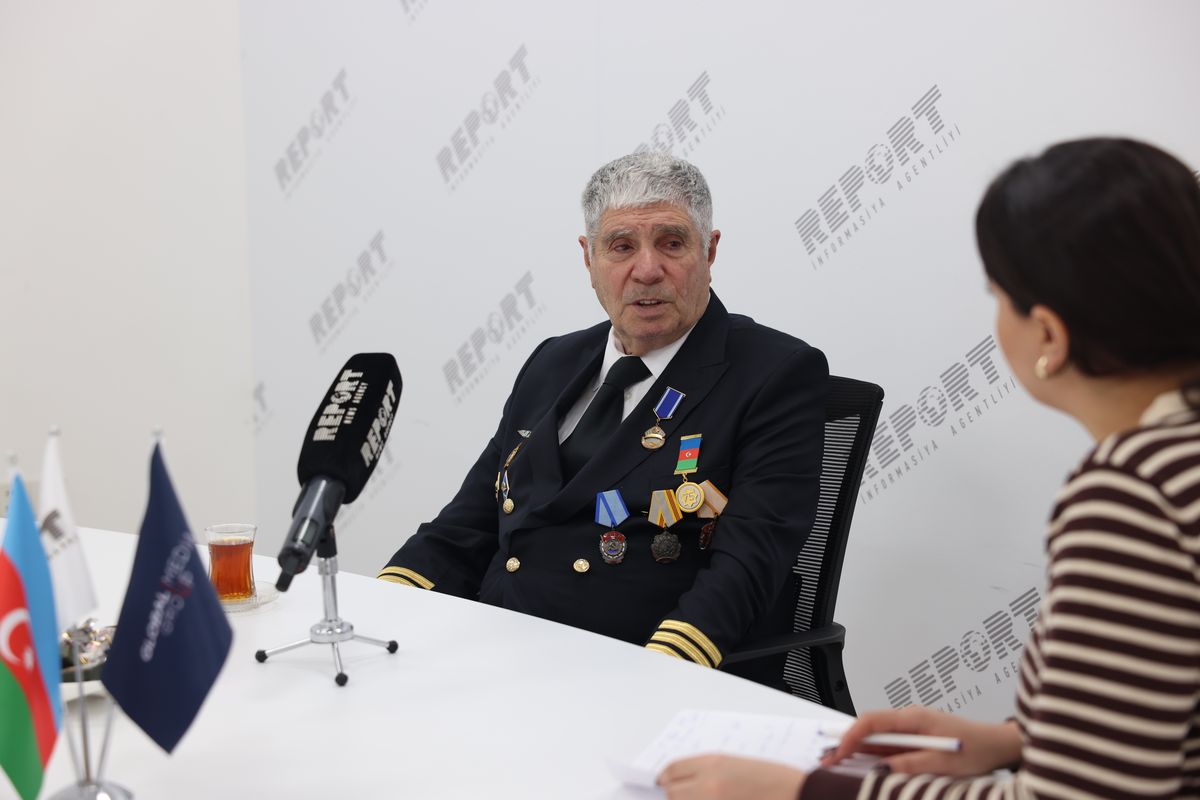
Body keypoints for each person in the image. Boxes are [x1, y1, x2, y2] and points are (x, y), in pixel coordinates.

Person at [658, 137, 1200, 798]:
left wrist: (800, 791)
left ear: (1050, 336)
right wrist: (1015, 742)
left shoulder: (1133, 497)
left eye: (998, 295)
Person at [378, 153, 828, 672]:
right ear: (589, 258)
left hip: (636, 669)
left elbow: (750, 564)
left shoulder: (774, 372)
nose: (647, 270)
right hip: (498, 651)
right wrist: (381, 607)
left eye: (672, 243)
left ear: (710, 250)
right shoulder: (554, 360)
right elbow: (470, 520)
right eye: (621, 246)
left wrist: (652, 677)